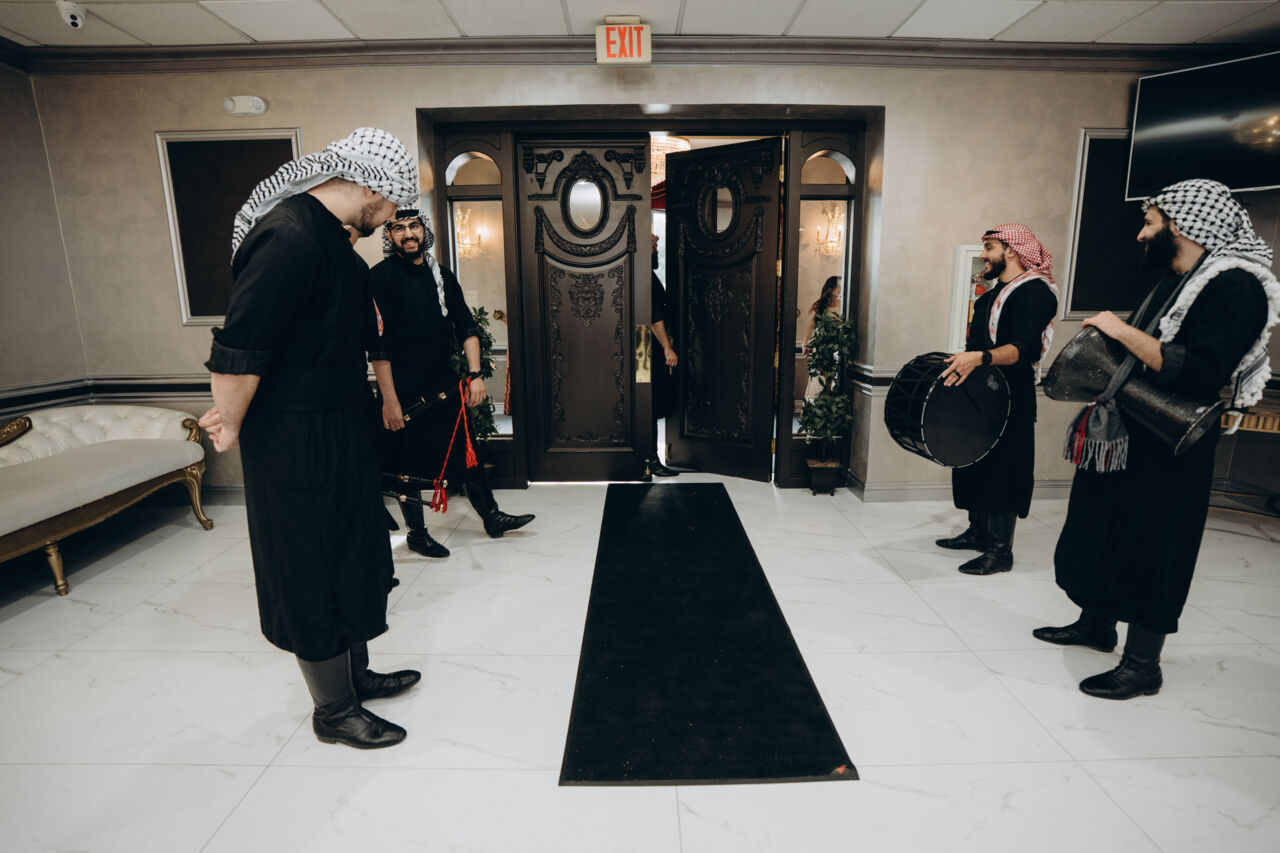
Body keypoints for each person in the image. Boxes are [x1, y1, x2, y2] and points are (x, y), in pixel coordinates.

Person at [199, 128, 422, 750]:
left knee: (353, 549)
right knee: (311, 561)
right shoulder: (289, 235)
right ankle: (334, 710)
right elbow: (241, 348)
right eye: (392, 204)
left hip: (340, 424)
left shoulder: (333, 240)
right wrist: (231, 421)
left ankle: (356, 677)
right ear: (371, 186)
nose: (392, 217)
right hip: (296, 436)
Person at [1036, 179, 1277, 700]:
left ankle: (1143, 665)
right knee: (1101, 525)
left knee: (1156, 546)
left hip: (1173, 445)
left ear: (1182, 225)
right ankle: (1096, 624)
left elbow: (1201, 371)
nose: (1142, 235)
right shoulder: (1177, 280)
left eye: (1149, 223)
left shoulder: (1237, 287)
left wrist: (1117, 329)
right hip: (1128, 433)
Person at [370, 208, 534, 557]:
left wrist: (474, 375)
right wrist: (390, 400)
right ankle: (417, 534)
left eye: (413, 226)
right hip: (403, 387)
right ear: (389, 236)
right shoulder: (380, 278)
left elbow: (466, 327)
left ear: (424, 230)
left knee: (466, 449)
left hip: (445, 382)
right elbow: (379, 347)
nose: (407, 233)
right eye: (398, 228)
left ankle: (491, 517)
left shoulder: (442, 275)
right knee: (407, 463)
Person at [937, 225, 1058, 575]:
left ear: (1012, 250)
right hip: (980, 393)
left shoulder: (1035, 293)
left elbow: (1025, 348)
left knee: (1004, 468)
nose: (983, 255)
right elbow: (976, 344)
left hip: (1013, 394)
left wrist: (982, 358)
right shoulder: (989, 297)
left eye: (989, 247)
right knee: (973, 460)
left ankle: (1000, 551)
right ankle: (978, 532)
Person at [649, 232, 679, 477]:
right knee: (650, 407)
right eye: (653, 243)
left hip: (648, 350)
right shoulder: (645, 278)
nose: (657, 241)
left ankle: (651, 460)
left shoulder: (647, 275)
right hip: (648, 352)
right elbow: (654, 318)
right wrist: (667, 347)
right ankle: (652, 461)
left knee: (651, 407)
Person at [803, 275, 842, 402]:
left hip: (836, 349)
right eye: (837, 286)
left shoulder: (843, 305)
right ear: (830, 288)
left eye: (841, 287)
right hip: (822, 349)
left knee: (832, 381)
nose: (840, 289)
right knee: (820, 379)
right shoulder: (822, 306)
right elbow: (812, 324)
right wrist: (805, 343)